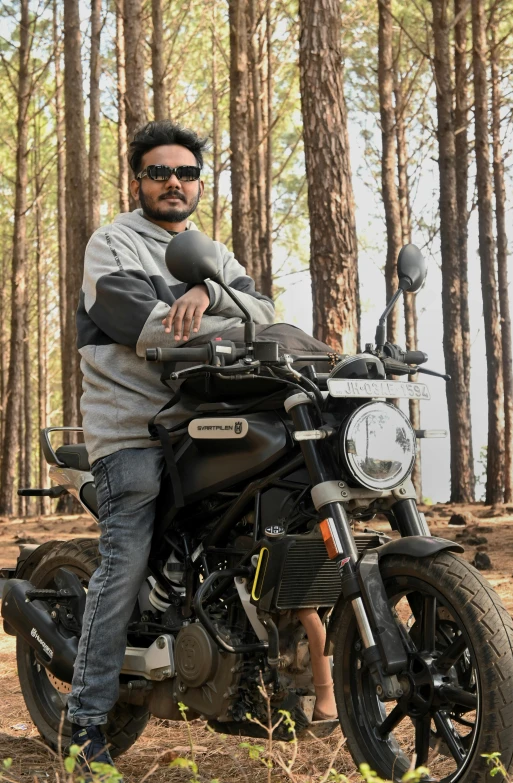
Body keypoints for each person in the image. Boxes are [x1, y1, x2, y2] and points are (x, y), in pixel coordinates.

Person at [69, 120, 330, 775]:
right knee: (124, 554)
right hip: (134, 427)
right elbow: (143, 324)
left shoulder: (211, 252)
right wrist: (223, 314)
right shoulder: (112, 243)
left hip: (208, 421)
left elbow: (265, 310)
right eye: (160, 172)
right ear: (139, 180)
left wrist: (209, 288)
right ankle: (84, 722)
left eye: (186, 173)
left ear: (198, 184)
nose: (174, 183)